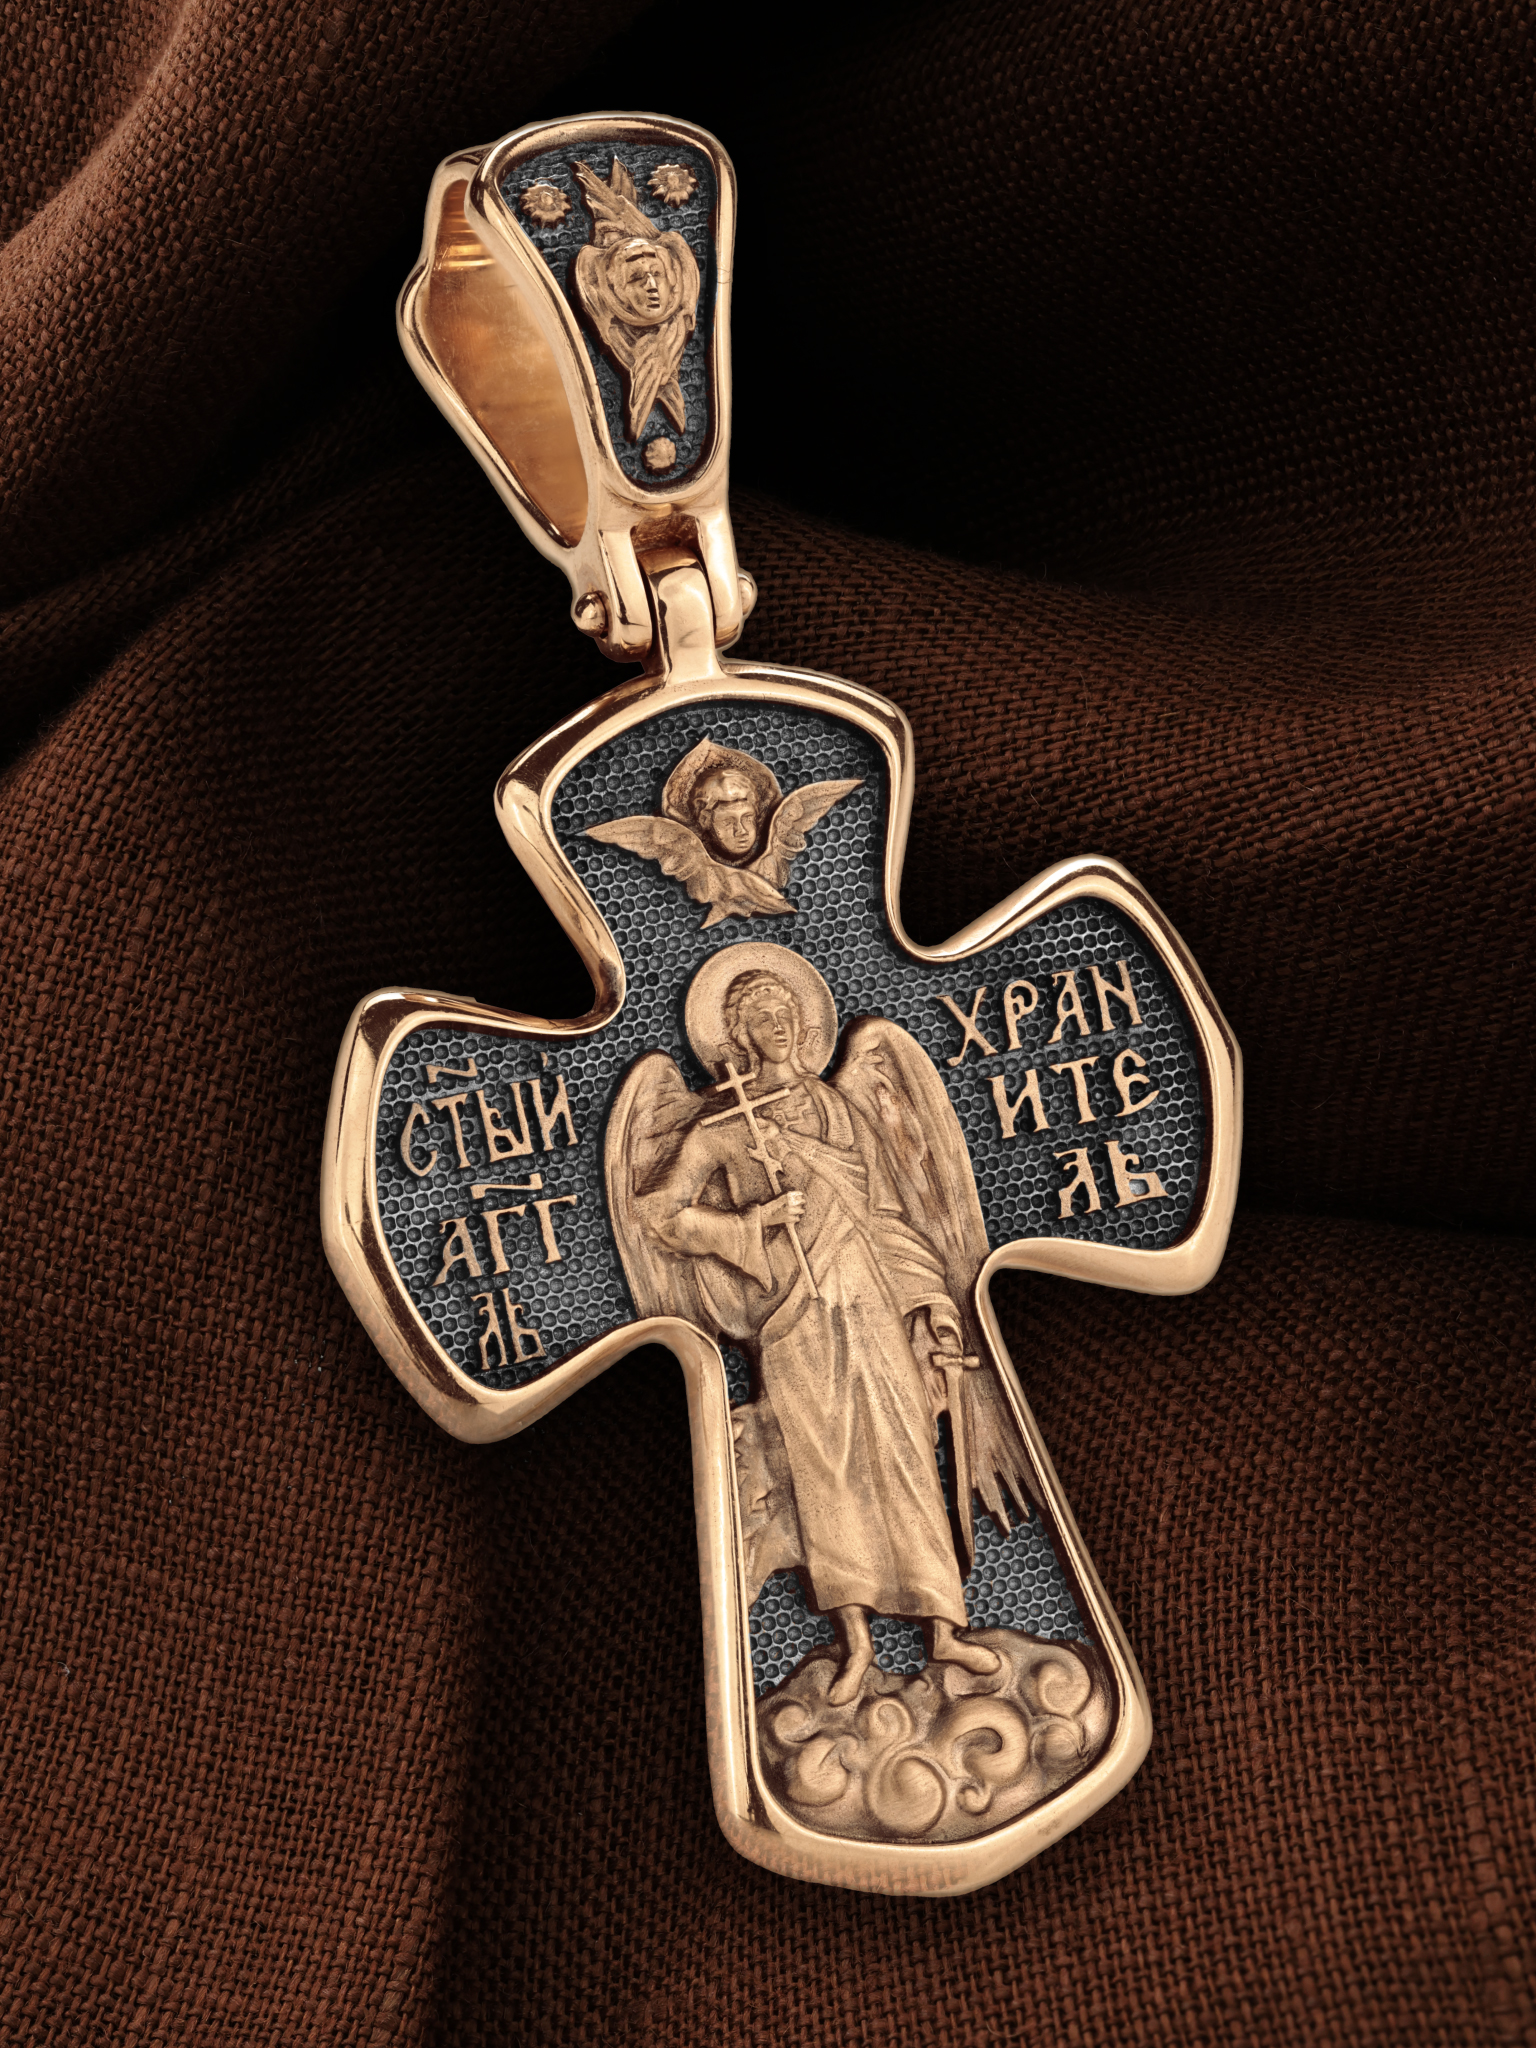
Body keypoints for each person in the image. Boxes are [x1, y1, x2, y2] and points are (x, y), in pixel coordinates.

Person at [635, 968, 999, 1705]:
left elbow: (886, 1213)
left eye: (785, 1011)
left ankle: (944, 1628)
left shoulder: (838, 1107)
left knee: (904, 1452)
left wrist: (932, 1303)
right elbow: (658, 1213)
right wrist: (751, 1225)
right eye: (760, 1015)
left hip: (871, 1300)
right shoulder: (722, 1127)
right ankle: (856, 1643)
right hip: (795, 1316)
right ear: (737, 1036)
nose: (777, 1024)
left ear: (805, 1026)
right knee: (826, 1468)